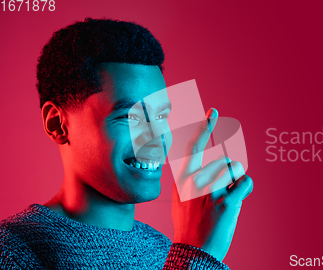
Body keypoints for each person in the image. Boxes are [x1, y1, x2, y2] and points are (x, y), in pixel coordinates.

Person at [0, 18, 253, 269]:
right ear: (57, 124)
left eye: (161, 116)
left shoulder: (164, 250)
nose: (157, 137)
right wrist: (197, 257)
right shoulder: (12, 250)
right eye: (130, 117)